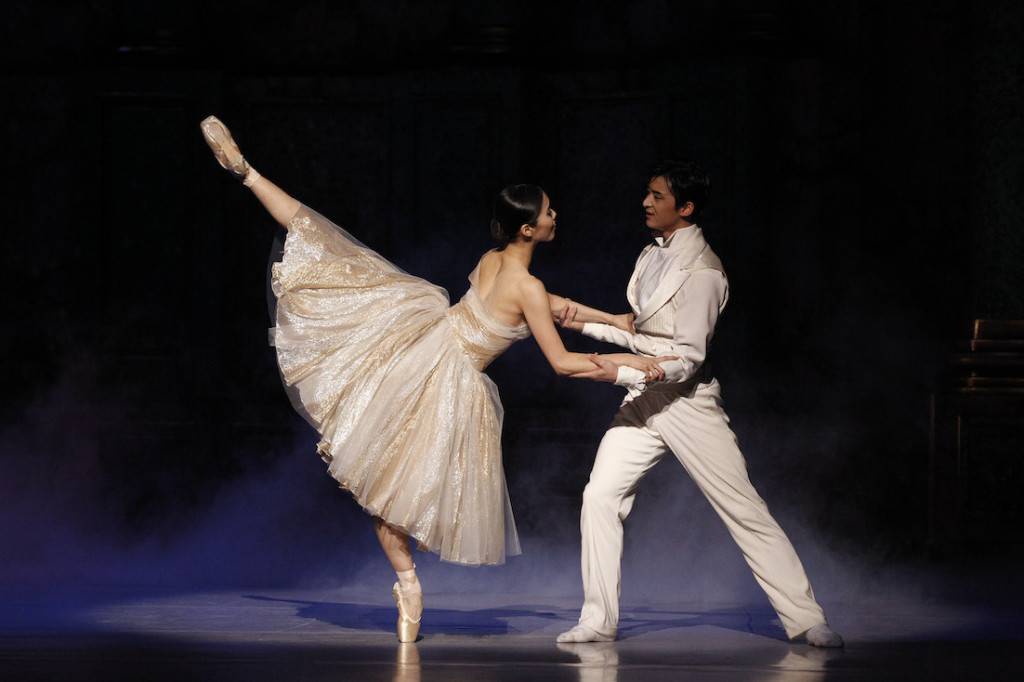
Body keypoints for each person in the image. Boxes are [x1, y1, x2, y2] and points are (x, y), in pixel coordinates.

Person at [198, 116, 673, 643]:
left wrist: (612, 320)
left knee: (335, 256)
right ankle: (409, 586)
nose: (554, 216)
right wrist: (632, 367)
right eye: (547, 212)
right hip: (438, 372)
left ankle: (247, 174)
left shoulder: (494, 262)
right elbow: (561, 360)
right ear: (527, 227)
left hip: (424, 347)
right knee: (387, 490)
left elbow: (549, 307)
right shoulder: (524, 284)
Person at [554, 158, 844, 648]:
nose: (646, 202)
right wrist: (576, 320)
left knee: (742, 507)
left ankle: (807, 618)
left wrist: (621, 369)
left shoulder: (705, 271)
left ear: (685, 207)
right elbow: (639, 329)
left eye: (658, 196)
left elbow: (687, 358)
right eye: (647, 193)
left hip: (686, 401)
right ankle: (599, 618)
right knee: (599, 496)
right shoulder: (651, 256)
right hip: (644, 399)